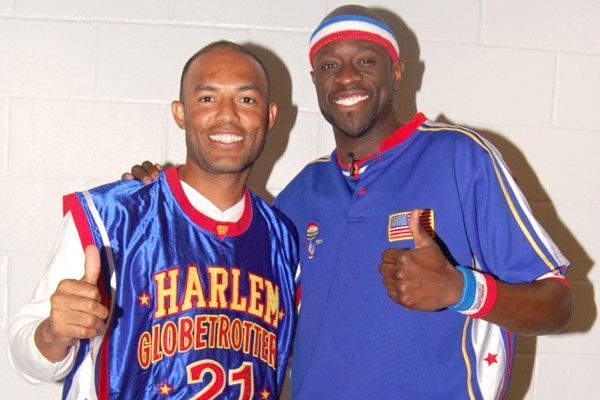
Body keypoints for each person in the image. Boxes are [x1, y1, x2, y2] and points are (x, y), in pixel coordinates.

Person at [125, 5, 573, 399]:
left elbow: (557, 305)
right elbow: (223, 274)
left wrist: (461, 290)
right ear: (315, 81)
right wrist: (161, 200)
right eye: (329, 65)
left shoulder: (461, 157)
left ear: (396, 72)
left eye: (365, 60)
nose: (346, 77)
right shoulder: (299, 194)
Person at [8, 41, 300, 399]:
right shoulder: (110, 218)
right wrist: (53, 334)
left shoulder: (284, 239)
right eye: (208, 98)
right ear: (180, 113)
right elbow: (24, 357)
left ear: (269, 116)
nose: (227, 115)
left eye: (247, 99)